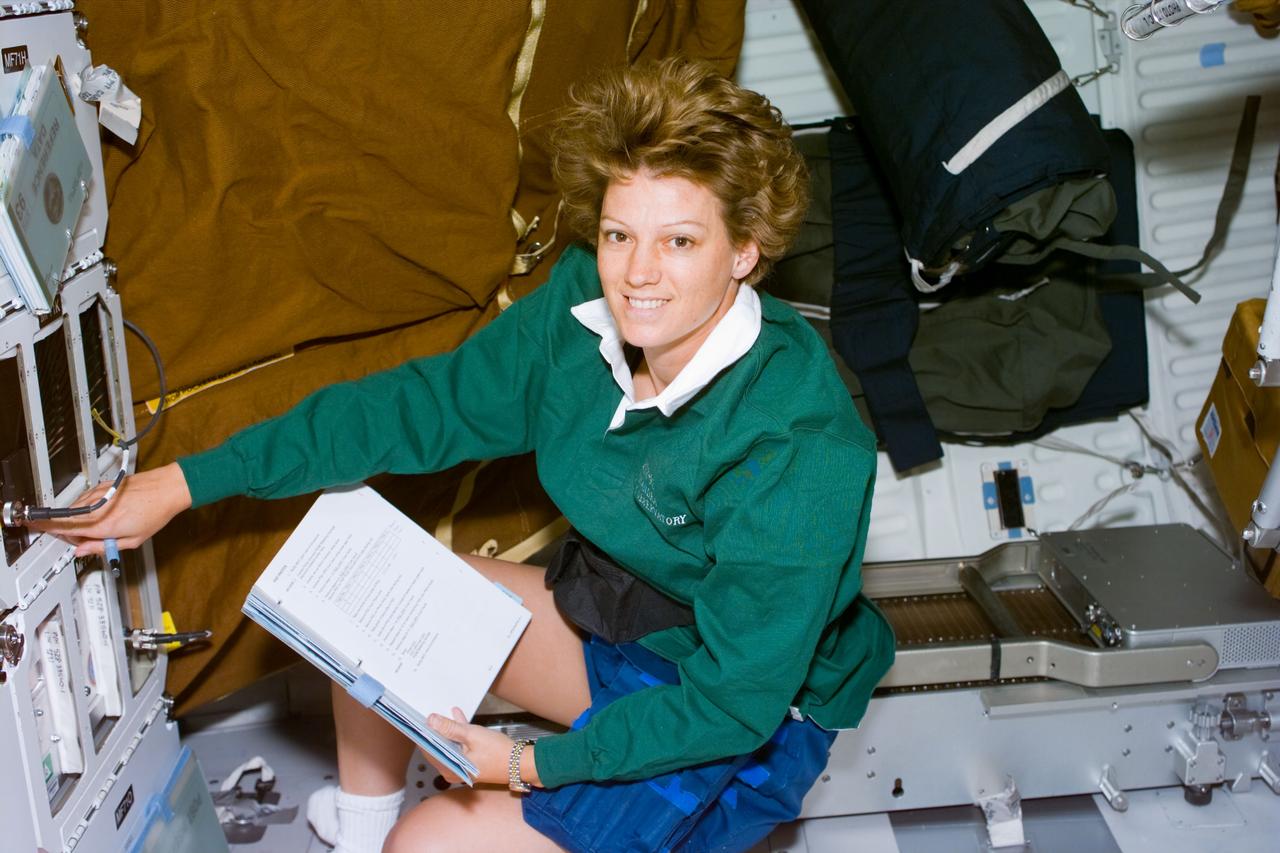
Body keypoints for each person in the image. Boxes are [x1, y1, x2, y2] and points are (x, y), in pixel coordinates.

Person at [33, 57, 895, 853]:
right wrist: (185, 483)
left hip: (747, 719)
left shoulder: (799, 447)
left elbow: (727, 704)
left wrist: (521, 766)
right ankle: (365, 830)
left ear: (744, 252)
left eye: (680, 241)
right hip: (634, 629)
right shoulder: (583, 312)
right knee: (367, 589)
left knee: (434, 844)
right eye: (618, 233)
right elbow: (414, 408)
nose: (637, 273)